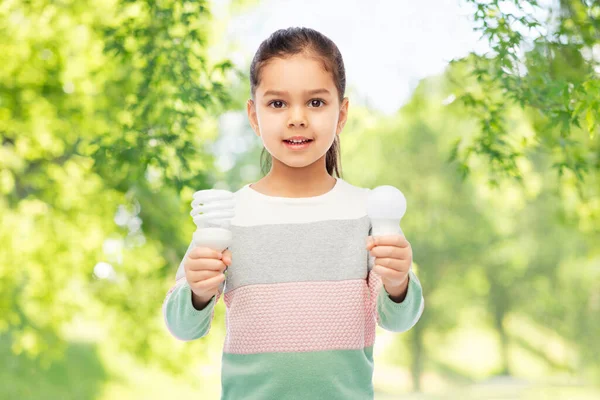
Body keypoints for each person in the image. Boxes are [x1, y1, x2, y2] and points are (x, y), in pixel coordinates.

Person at [162, 26, 424, 400]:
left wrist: (399, 283)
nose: (297, 118)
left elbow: (398, 320)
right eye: (277, 103)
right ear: (254, 116)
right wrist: (198, 293)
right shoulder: (226, 217)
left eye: (316, 102)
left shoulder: (368, 211)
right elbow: (182, 327)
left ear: (342, 112)